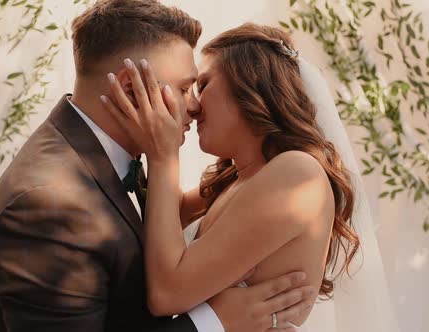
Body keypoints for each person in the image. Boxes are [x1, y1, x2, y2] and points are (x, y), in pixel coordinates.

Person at [0, 3, 314, 332]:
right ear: (132, 90)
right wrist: (213, 323)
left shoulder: (109, 159)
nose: (193, 106)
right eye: (184, 88)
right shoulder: (48, 208)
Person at [100, 23, 362, 331]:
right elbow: (164, 217)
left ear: (249, 85)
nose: (193, 106)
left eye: (204, 84)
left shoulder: (296, 174)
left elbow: (167, 293)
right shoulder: (239, 177)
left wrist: (164, 155)